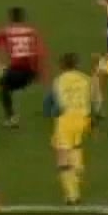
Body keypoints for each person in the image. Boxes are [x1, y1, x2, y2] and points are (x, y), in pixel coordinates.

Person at [0, 7, 47, 128]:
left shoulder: (6, 31)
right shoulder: (32, 32)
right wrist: (39, 72)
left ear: (10, 18)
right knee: (6, 79)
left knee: (2, 87)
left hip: (17, 71)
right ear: (23, 18)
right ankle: (5, 76)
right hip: (30, 72)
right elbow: (39, 52)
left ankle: (11, 118)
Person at [44, 53, 92, 205]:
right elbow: (93, 99)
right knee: (76, 145)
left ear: (62, 66)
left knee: (62, 159)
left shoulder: (59, 80)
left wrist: (49, 113)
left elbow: (51, 103)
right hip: (83, 118)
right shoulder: (85, 79)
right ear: (77, 65)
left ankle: (72, 196)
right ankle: (78, 168)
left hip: (66, 120)